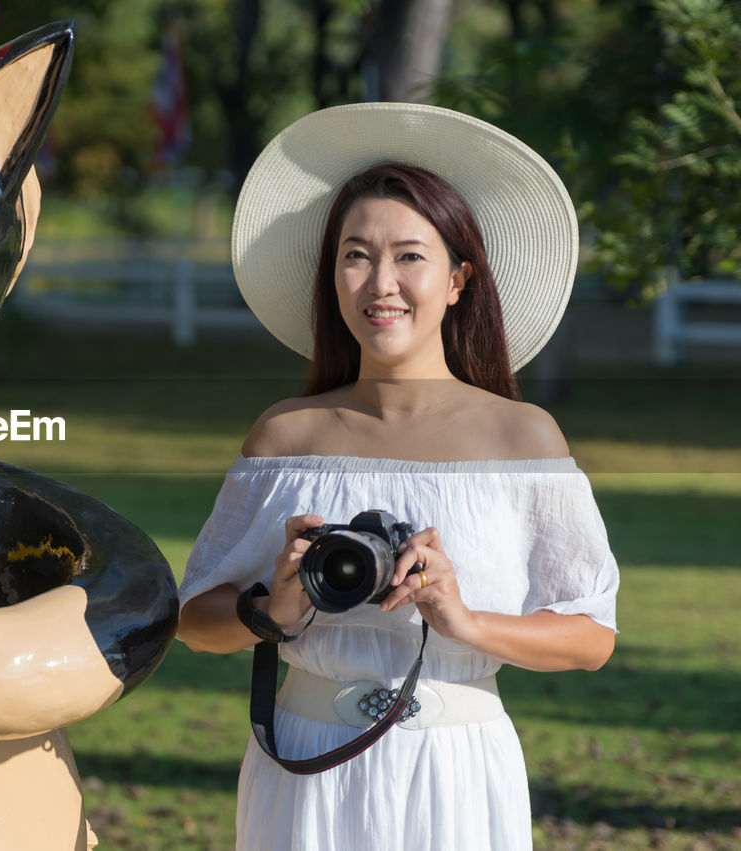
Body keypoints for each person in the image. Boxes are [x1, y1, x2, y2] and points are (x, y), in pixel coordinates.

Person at [177, 103, 619, 850]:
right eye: (356, 254)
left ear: (458, 279)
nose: (381, 282)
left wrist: (464, 619)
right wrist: (271, 609)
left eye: (410, 255)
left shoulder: (522, 436)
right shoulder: (286, 435)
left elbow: (590, 633)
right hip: (304, 769)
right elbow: (193, 619)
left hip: (457, 769)